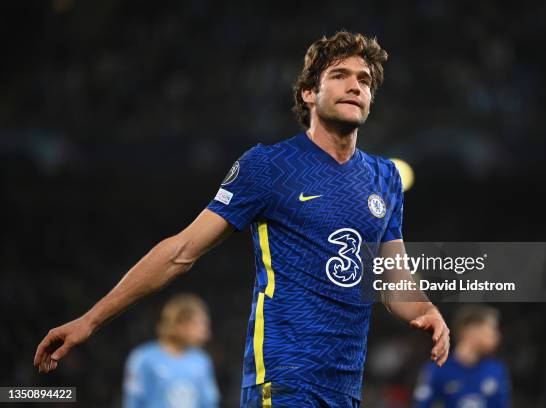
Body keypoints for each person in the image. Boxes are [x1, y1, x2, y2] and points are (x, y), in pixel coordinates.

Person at [34, 31, 450, 407]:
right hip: (283, 381)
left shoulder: (385, 177)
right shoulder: (268, 167)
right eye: (340, 74)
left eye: (365, 80)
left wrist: (426, 310)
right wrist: (91, 320)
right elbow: (181, 252)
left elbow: (395, 283)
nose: (355, 85)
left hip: (345, 388)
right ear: (308, 93)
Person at [123, 294, 220, 408]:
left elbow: (209, 403)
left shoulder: (201, 360)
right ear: (180, 324)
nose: (206, 333)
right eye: (200, 324)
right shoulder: (143, 359)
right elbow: (134, 402)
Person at [413, 305, 510, 408]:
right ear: (472, 330)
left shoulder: (496, 370)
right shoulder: (437, 370)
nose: (497, 336)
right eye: (492, 329)